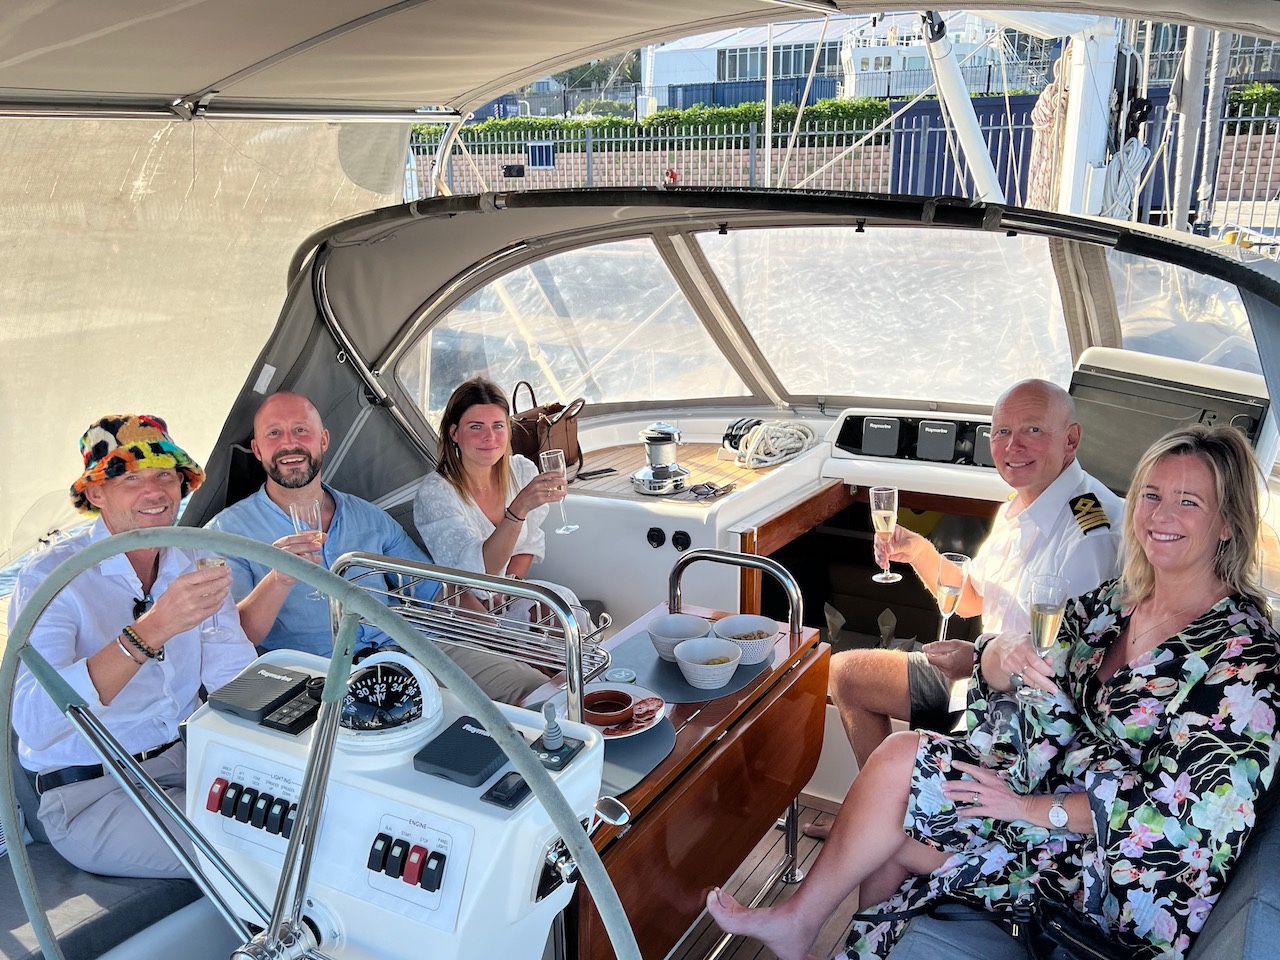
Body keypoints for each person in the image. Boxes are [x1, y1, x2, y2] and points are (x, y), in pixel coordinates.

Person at [707, 423, 1280, 960]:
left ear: (1229, 523)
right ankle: (810, 924)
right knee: (900, 766)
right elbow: (1038, 681)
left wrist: (1025, 806)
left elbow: (1184, 821)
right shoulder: (1119, 603)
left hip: (1117, 873)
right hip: (1048, 790)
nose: (1160, 515)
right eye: (1151, 495)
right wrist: (996, 657)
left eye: (1189, 502)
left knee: (896, 830)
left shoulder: (1245, 663)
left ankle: (816, 925)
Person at [810, 379, 1123, 838]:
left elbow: (1066, 673)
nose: (1012, 446)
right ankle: (877, 820)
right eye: (1001, 432)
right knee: (847, 674)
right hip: (979, 674)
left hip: (1021, 714)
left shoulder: (1088, 534)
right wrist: (917, 550)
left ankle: (880, 830)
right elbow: (973, 597)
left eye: (1033, 430)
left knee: (902, 746)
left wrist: (977, 662)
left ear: (1071, 440)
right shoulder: (1021, 503)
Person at [10, 414, 256, 878]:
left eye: (165, 475)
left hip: (192, 763)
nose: (155, 491)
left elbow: (233, 678)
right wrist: (151, 630)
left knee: (327, 817)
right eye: (130, 478)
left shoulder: (195, 559)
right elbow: (36, 723)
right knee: (255, 850)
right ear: (95, 494)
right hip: (92, 796)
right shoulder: (50, 577)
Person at [206, 391, 546, 704]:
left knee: (536, 690)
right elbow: (237, 637)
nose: (289, 443)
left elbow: (436, 591)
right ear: (258, 449)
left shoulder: (367, 517)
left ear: (323, 440)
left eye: (301, 430)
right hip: (318, 679)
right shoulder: (226, 533)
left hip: (406, 652)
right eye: (274, 433)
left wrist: (501, 641)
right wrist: (278, 579)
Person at [414, 377, 587, 628]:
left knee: (562, 605)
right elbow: (478, 576)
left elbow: (529, 543)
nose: (490, 437)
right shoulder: (436, 494)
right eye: (476, 427)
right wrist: (517, 510)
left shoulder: (521, 471)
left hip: (509, 592)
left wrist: (508, 589)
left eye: (498, 426)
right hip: (468, 610)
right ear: (454, 433)